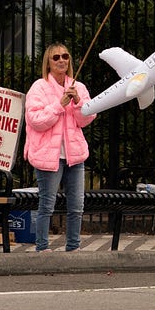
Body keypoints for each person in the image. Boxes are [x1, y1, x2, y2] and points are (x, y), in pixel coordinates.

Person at [23, 42, 95, 252]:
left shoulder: (78, 87)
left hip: (75, 155)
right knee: (47, 205)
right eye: (56, 57)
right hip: (48, 156)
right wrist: (60, 104)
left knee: (77, 206)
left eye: (65, 56)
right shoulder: (39, 87)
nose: (61, 60)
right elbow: (35, 119)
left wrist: (79, 103)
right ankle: (42, 247)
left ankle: (73, 247)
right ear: (48, 63)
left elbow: (87, 119)